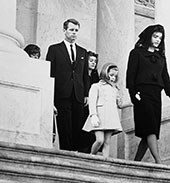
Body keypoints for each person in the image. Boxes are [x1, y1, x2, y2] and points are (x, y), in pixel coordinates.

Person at [126, 24, 170, 164]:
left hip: (156, 96)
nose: (157, 40)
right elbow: (130, 76)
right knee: (150, 129)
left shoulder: (161, 57)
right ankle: (159, 161)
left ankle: (136, 162)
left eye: (160, 38)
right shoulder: (136, 53)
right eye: (155, 36)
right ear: (149, 35)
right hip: (142, 95)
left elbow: (166, 79)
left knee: (149, 132)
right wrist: (133, 95)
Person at [46, 18, 89, 151]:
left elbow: (84, 75)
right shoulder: (54, 49)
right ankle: (66, 154)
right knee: (64, 126)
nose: (74, 33)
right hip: (61, 94)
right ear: (64, 30)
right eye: (71, 30)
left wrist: (86, 94)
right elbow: (50, 73)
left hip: (78, 95)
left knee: (77, 126)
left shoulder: (83, 52)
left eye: (76, 30)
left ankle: (76, 154)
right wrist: (50, 95)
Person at [82, 63, 123, 157]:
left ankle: (105, 161)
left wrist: (119, 94)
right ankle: (92, 157)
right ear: (105, 73)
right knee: (100, 140)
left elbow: (119, 104)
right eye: (111, 75)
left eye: (115, 76)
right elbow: (92, 101)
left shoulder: (114, 89)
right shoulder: (96, 86)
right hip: (99, 116)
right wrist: (93, 115)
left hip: (111, 116)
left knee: (107, 141)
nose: (113, 78)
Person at [78, 51, 100, 153]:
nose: (93, 63)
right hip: (83, 105)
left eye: (95, 61)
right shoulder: (81, 75)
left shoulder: (96, 76)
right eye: (91, 61)